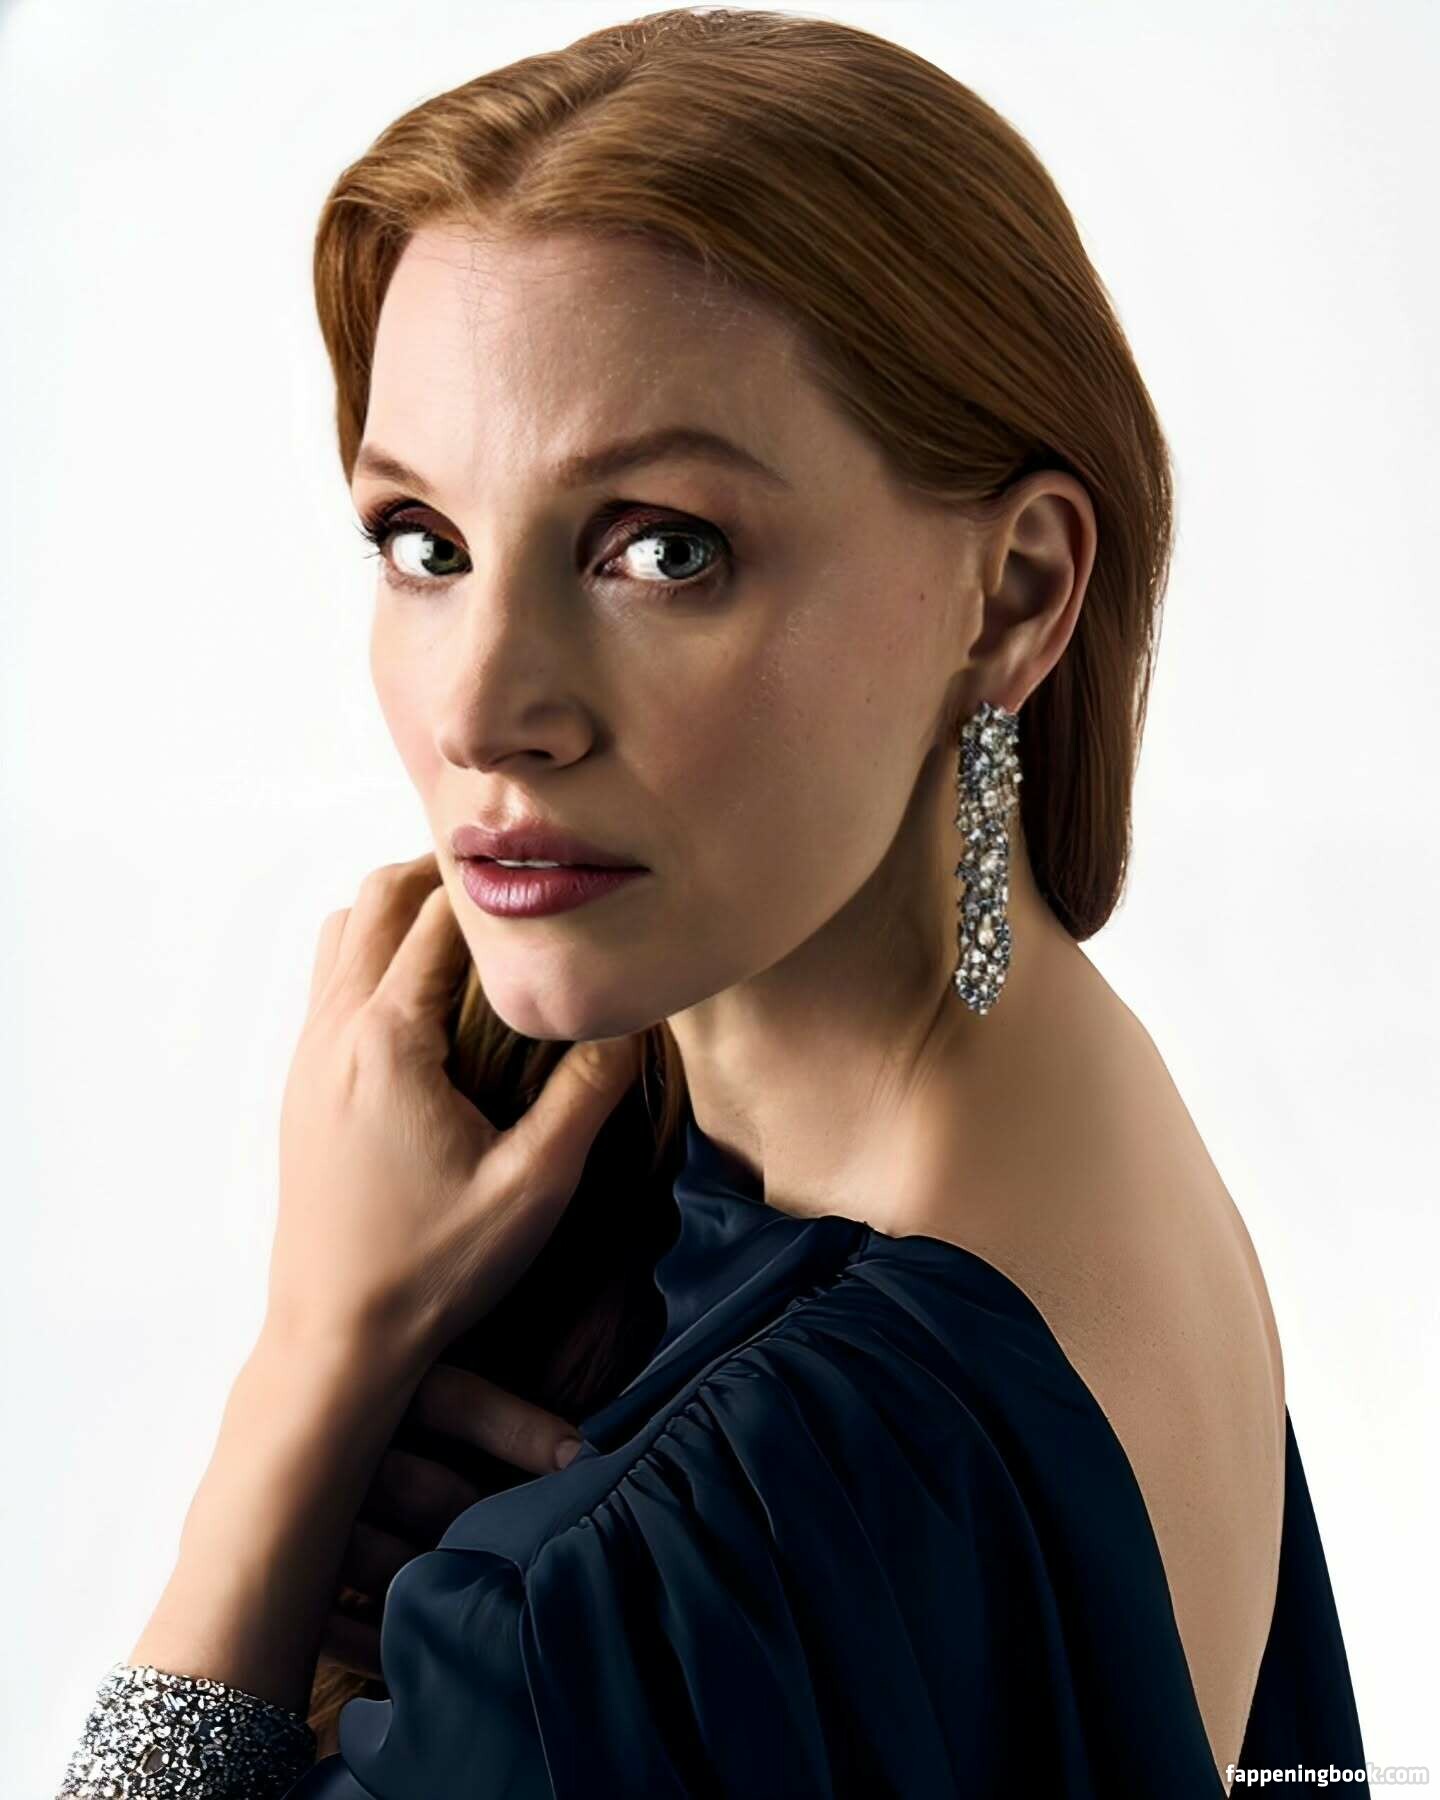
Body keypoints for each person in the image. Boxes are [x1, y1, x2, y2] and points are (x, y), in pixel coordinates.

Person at [56, 7, 1369, 1797]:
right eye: (426, 544)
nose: (483, 710)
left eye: (661, 548)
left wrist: (304, 1383)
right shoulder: (1093, 1150)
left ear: (1013, 594)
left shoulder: (657, 1588)